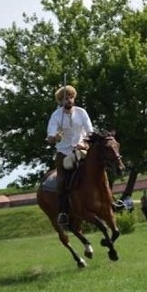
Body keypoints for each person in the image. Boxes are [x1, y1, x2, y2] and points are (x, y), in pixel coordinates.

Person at [45, 85, 94, 227]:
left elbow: (89, 131)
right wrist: (55, 137)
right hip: (64, 152)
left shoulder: (81, 112)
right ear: (60, 101)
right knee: (62, 180)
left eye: (71, 97)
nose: (69, 100)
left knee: (98, 167)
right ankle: (63, 212)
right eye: (66, 98)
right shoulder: (56, 116)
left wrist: (84, 143)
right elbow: (50, 136)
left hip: (82, 149)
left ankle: (110, 199)